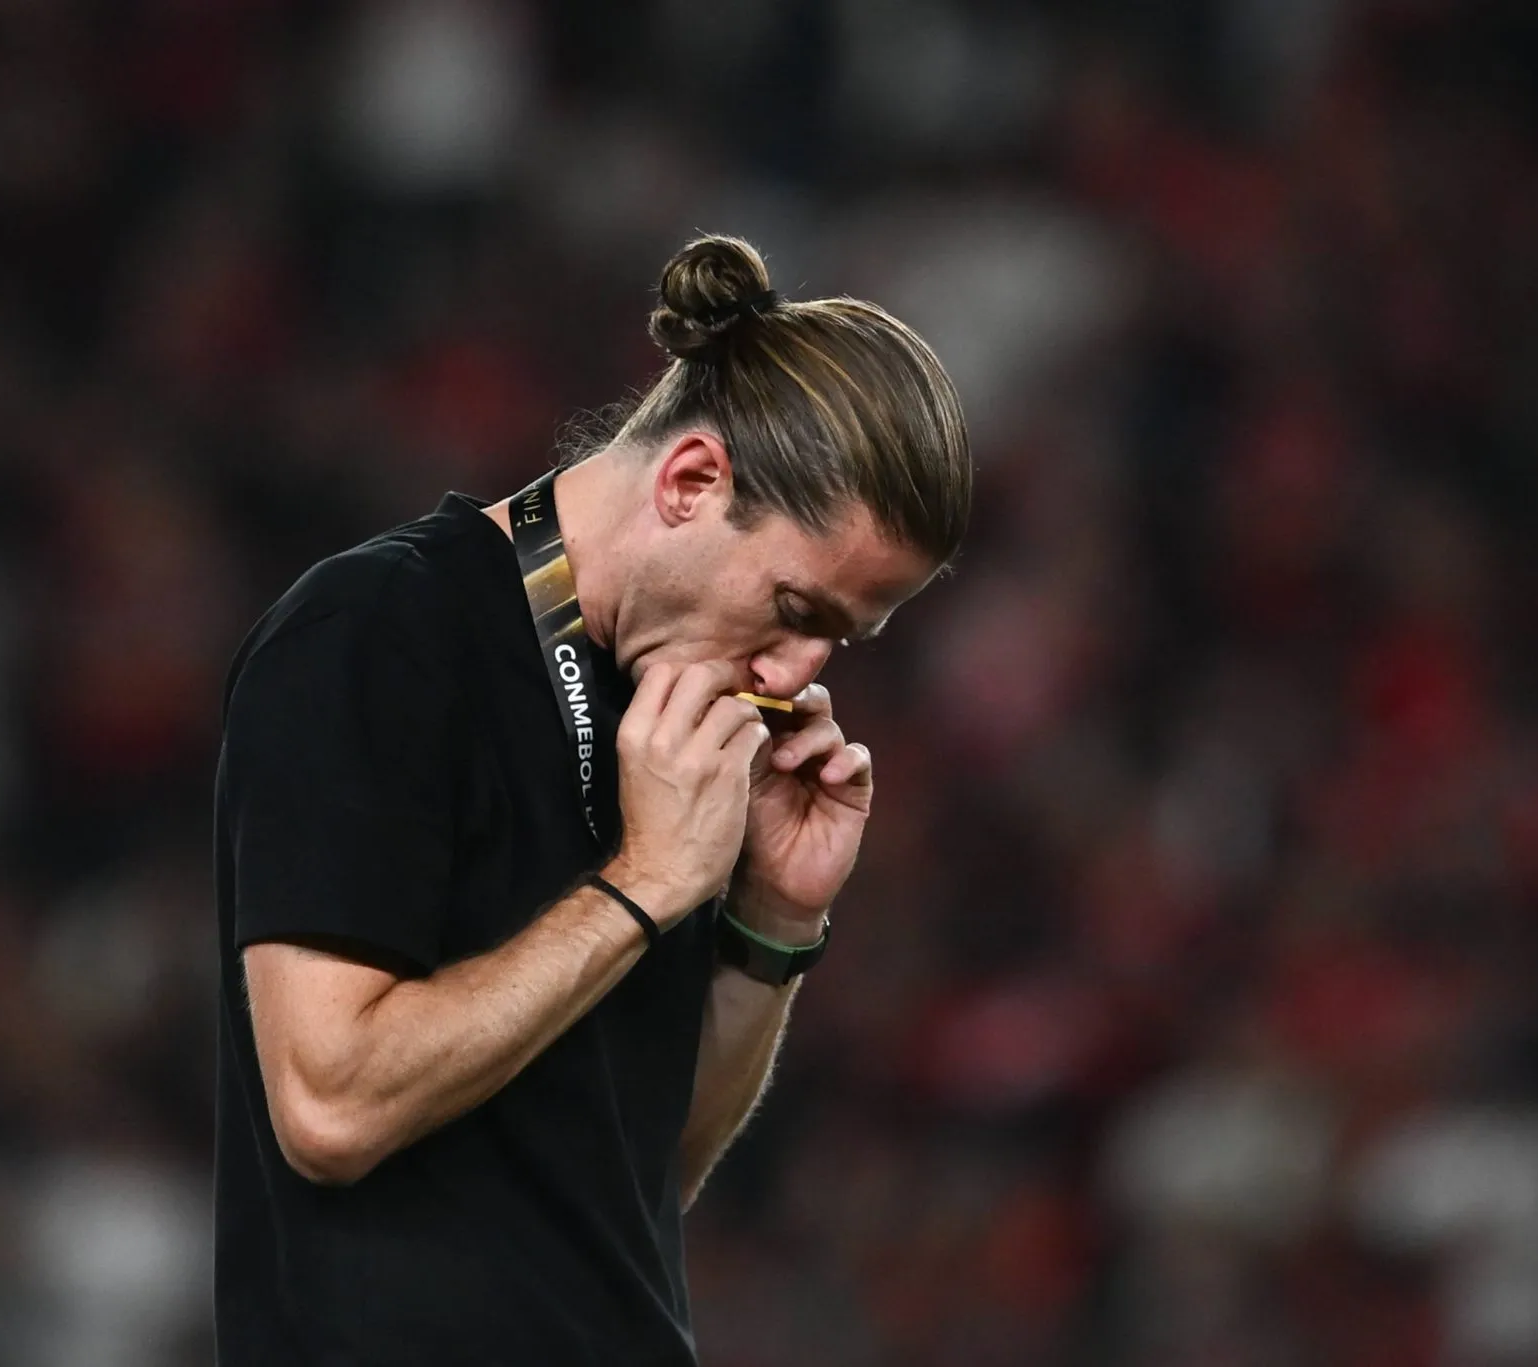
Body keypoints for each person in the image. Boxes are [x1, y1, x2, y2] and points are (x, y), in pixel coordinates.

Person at [212, 234, 973, 1365]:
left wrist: (772, 920)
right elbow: (330, 1107)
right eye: (794, 609)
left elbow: (648, 1168)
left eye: (839, 639)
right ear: (691, 480)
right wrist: (643, 885)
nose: (793, 674)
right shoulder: (376, 633)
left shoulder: (667, 713)